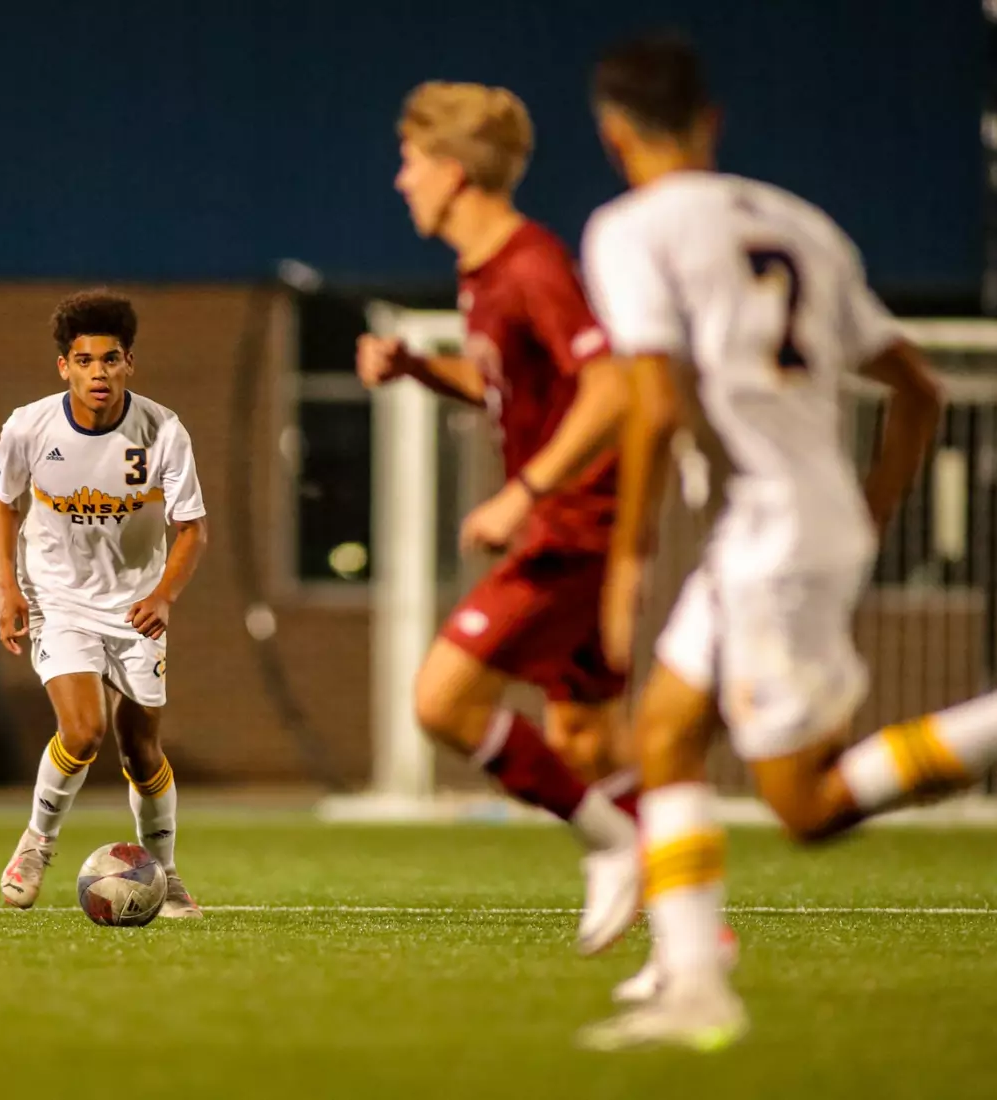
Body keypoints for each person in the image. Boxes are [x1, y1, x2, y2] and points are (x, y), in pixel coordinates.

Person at [563, 32, 997, 1050]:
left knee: (801, 800)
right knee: (664, 732)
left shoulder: (629, 229)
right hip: (795, 515)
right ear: (709, 122)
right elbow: (919, 387)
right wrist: (870, 506)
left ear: (613, 132)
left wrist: (626, 562)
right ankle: (692, 978)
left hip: (770, 532)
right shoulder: (802, 223)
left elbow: (655, 406)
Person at [358, 81, 641, 954]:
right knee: (588, 740)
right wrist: (415, 366)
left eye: (410, 163)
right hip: (571, 522)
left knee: (442, 700)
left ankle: (615, 845)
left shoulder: (529, 266)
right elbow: (500, 383)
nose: (401, 181)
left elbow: (613, 387)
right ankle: (693, 938)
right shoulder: (484, 275)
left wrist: (526, 492)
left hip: (577, 529)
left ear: (451, 171)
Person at [0, 290, 210, 918]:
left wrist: (164, 595)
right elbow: (3, 501)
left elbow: (192, 526)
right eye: (84, 361)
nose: (98, 373)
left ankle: (164, 874)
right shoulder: (28, 427)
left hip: (137, 605)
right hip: (58, 600)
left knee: (140, 748)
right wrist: (7, 586)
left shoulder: (162, 429)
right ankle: (36, 844)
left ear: (128, 364)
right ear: (64, 366)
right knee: (82, 731)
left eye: (110, 360)